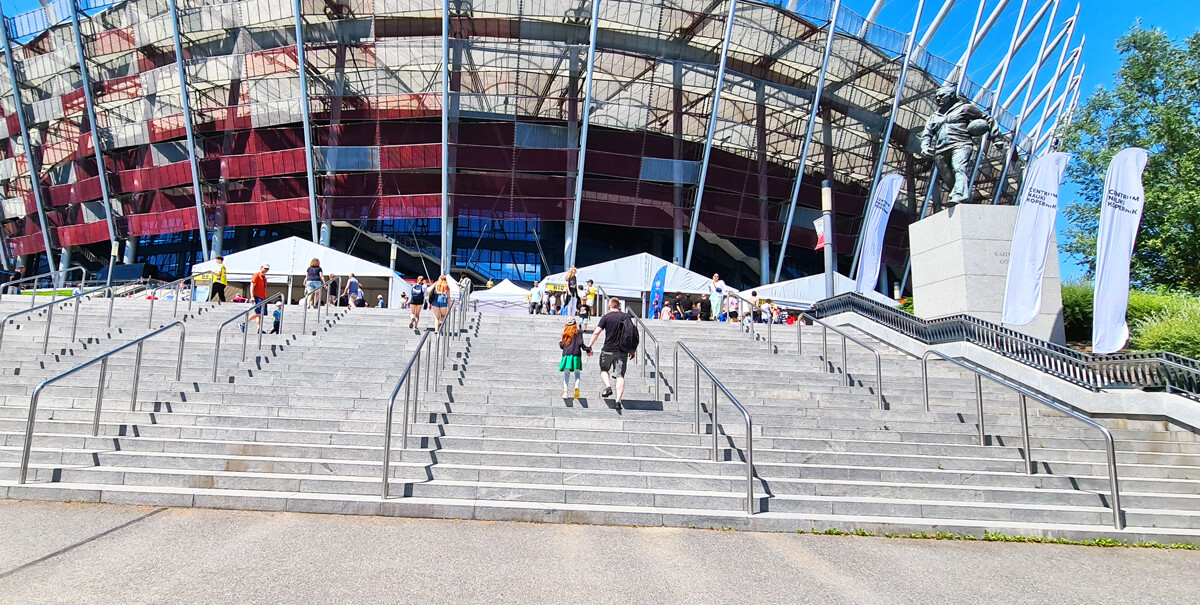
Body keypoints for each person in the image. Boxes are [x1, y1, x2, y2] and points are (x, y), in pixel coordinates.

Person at [586, 298, 638, 411]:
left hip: (608, 349)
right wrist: (632, 350)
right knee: (620, 376)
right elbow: (631, 333)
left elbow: (596, 332)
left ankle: (608, 387)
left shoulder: (606, 317)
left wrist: (589, 346)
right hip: (622, 350)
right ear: (618, 306)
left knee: (604, 369)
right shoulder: (626, 316)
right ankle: (618, 401)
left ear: (610, 306)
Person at [558, 318, 591, 399]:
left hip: (566, 355)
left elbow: (562, 345)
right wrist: (588, 349)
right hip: (576, 355)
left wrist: (560, 343)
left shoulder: (565, 333)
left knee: (566, 374)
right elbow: (581, 343)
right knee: (577, 373)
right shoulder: (578, 332)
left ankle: (565, 392)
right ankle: (576, 387)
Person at [240, 264, 269, 333]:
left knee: (261, 314)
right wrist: (252, 296)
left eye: (267, 269)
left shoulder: (264, 278)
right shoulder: (256, 275)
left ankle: (259, 329)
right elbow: (252, 286)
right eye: (265, 268)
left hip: (263, 297)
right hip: (257, 297)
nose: (266, 270)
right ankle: (244, 322)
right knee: (259, 312)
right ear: (261, 268)